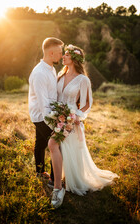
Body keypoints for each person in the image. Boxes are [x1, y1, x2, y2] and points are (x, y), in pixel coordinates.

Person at [48, 44, 119, 207]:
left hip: (71, 120)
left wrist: (76, 117)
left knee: (53, 144)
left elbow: (87, 103)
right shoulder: (60, 75)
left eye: (66, 54)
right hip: (57, 117)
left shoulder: (83, 80)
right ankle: (60, 181)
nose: (63, 57)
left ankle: (58, 189)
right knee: (63, 149)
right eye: (63, 54)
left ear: (74, 59)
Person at [28, 37, 64, 184]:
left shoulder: (51, 68)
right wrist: (54, 126)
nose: (61, 55)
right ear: (51, 53)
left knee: (41, 144)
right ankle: (54, 181)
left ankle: (40, 172)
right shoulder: (39, 73)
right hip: (42, 116)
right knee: (57, 146)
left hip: (48, 113)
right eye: (60, 52)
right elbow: (43, 105)